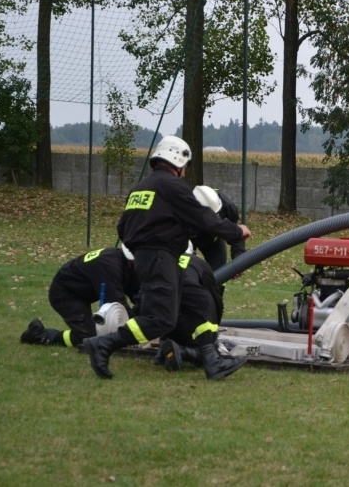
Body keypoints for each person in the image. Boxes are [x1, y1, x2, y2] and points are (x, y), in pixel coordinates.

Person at [83, 135, 251, 380]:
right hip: (160, 259)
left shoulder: (139, 189)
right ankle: (104, 344)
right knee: (161, 319)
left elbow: (122, 228)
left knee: (200, 299)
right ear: (177, 161)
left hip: (154, 259)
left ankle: (212, 361)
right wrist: (237, 231)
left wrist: (143, 249)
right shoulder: (172, 187)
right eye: (184, 167)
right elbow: (204, 218)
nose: (184, 173)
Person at [20, 246, 139, 348]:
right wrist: (139, 328)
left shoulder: (126, 264)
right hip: (65, 294)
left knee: (96, 335)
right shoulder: (109, 265)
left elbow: (138, 295)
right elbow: (116, 303)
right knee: (88, 338)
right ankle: (40, 335)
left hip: (81, 294)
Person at [154, 251, 247, 379]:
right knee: (207, 342)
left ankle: (162, 351)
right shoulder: (198, 264)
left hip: (158, 318)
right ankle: (186, 352)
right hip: (184, 318)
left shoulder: (161, 263)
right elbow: (214, 303)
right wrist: (213, 335)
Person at [191, 185, 247, 271]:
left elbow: (235, 235)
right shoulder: (183, 212)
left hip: (214, 240)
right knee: (186, 274)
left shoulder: (227, 206)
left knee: (219, 273)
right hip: (187, 240)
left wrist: (238, 259)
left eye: (216, 215)